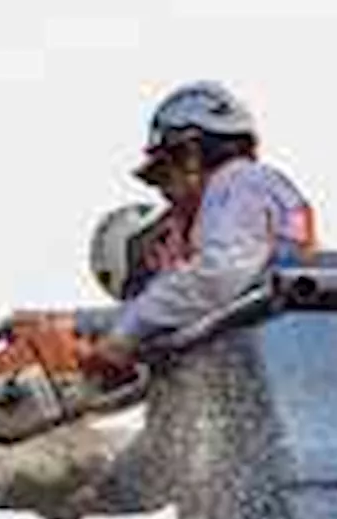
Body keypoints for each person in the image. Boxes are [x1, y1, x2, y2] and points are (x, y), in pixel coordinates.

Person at [75, 81, 317, 377]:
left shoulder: (238, 183)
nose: (164, 195)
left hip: (290, 365)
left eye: (164, 174)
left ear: (190, 155)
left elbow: (216, 276)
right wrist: (83, 328)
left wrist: (126, 332)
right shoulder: (239, 196)